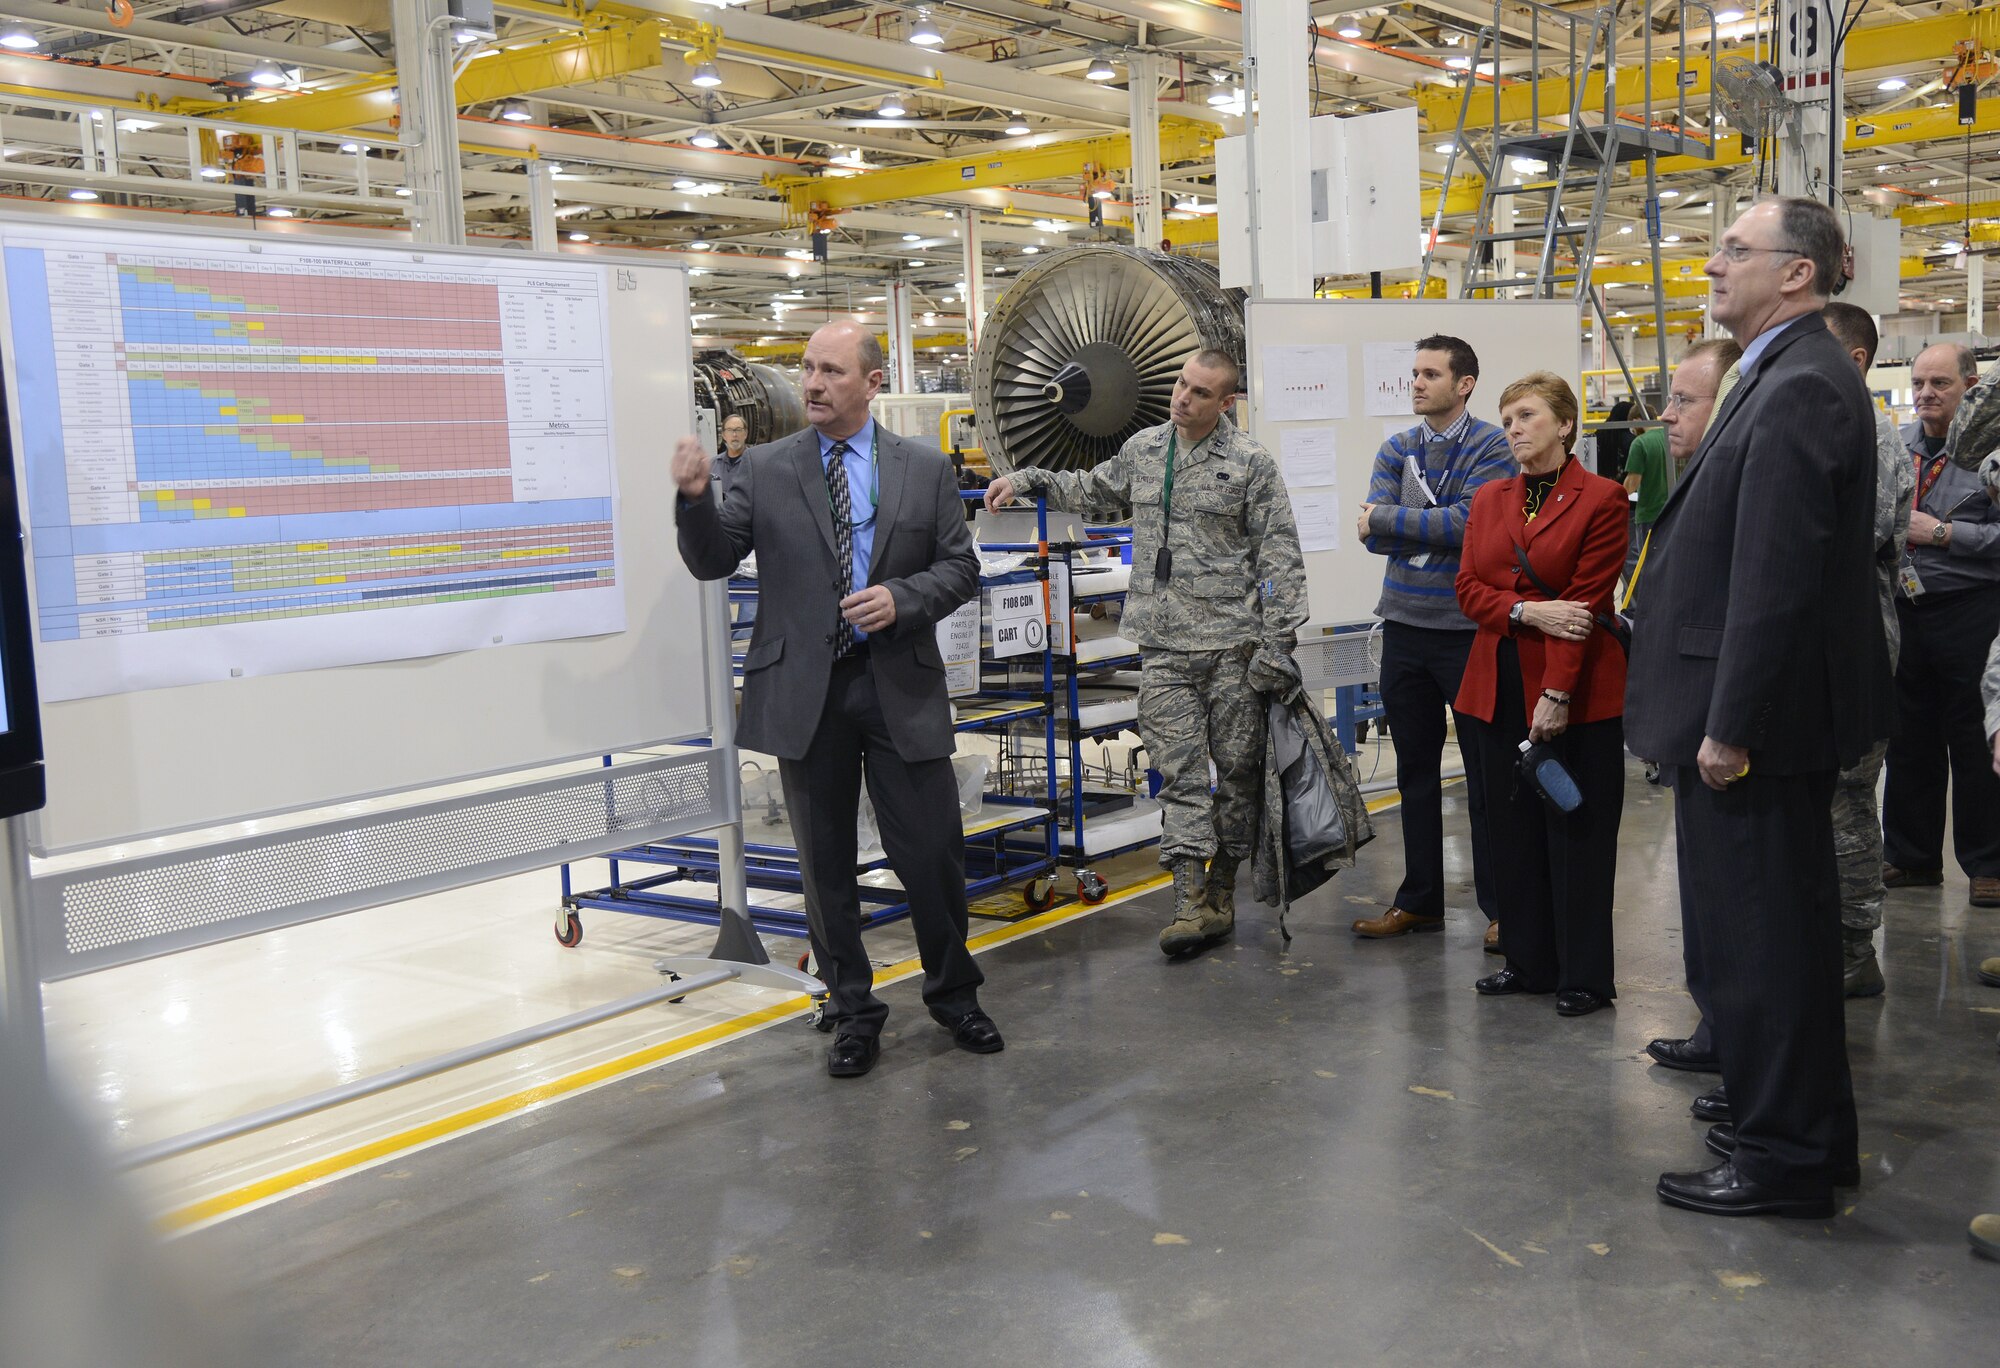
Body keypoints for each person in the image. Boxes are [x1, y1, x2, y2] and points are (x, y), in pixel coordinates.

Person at [1626, 196, 1890, 1218]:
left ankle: (1781, 1161)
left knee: (1759, 947)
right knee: (1767, 940)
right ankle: (1802, 1140)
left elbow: (1775, 575)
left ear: (1796, 273)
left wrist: (1727, 725)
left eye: (1733, 249)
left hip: (1755, 727)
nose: (1709, 264)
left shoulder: (1799, 386)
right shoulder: (1776, 374)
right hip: (1751, 717)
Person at [672, 320, 999, 1078]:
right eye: (807, 369)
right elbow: (713, 560)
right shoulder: (763, 466)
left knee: (933, 857)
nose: (812, 384)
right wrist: (694, 499)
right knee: (824, 868)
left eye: (830, 371)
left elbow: (960, 569)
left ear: (873, 383)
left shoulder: (922, 469)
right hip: (804, 693)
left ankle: (955, 997)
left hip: (898, 685)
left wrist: (902, 598)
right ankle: (852, 1009)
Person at [984, 349, 1306, 955]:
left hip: (1234, 649)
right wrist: (1028, 477)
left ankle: (1222, 893)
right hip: (1163, 649)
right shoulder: (1145, 449)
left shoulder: (1249, 464)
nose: (1183, 397)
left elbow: (1280, 558)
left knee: (1236, 779)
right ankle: (1187, 903)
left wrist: (1276, 645)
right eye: (1182, 384)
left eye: (1200, 392)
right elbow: (1091, 485)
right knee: (1180, 775)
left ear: (1226, 403)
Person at [1452, 371, 1629, 1016]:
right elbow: (1469, 589)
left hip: (1576, 691)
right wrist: (1530, 613)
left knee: (1576, 830)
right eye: (1506, 421)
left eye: (1526, 416)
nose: (1514, 430)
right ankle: (1528, 962)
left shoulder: (1602, 498)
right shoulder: (1491, 498)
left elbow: (1583, 608)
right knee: (1511, 831)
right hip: (1494, 683)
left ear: (1564, 424)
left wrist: (1556, 693)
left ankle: (1584, 975)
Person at [1351, 336, 1514, 947]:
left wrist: (1395, 521)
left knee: (1484, 774)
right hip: (1404, 630)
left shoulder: (1492, 446)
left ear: (1464, 383)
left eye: (1430, 374)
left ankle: (1502, 908)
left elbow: (1473, 524)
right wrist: (1418, 527)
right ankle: (1420, 900)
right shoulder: (1397, 448)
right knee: (1414, 771)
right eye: (1413, 373)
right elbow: (1372, 536)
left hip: (1467, 635)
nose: (1416, 384)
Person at [1820, 302, 1919, 995]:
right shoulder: (1838, 428)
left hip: (1856, 643)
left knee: (1849, 802)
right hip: (1827, 641)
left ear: (1853, 361)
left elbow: (1855, 537)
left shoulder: (1875, 439)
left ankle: (1856, 953)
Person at [1881, 342, 2000, 909]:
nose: (1926, 394)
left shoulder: (1990, 454)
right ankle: (1910, 856)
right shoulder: (1898, 447)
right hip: (1906, 610)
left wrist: (1947, 535)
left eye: (1941, 384)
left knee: (1976, 742)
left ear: (1971, 387)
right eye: (1920, 383)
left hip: (1971, 609)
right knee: (1908, 737)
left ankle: (1987, 864)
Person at [711, 413, 750, 506]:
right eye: (730, 430)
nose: (734, 434)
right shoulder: (712, 464)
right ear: (724, 435)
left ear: (745, 434)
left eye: (739, 430)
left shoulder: (755, 463)